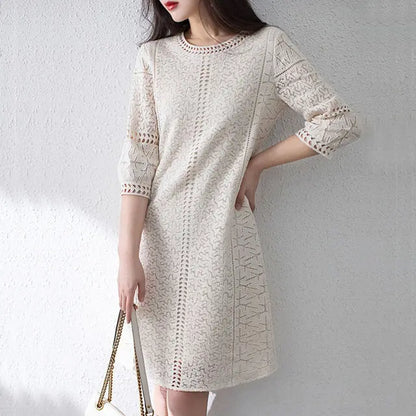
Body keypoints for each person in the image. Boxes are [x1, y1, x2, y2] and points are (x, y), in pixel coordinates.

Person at [116, 0, 362, 415]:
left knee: (186, 385)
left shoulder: (267, 49)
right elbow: (139, 160)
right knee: (162, 385)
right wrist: (127, 256)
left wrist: (258, 162)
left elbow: (338, 120)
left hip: (216, 242)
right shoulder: (154, 57)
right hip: (156, 243)